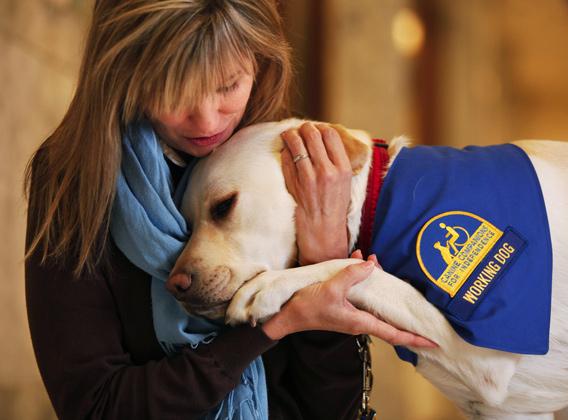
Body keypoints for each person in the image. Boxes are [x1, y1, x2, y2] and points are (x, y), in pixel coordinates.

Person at [24, 1, 431, 419]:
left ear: (260, 62)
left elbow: (334, 409)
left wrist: (323, 259)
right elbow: (95, 408)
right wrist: (273, 322)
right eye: (175, 94)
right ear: (125, 74)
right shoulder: (77, 178)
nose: (206, 122)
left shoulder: (274, 161)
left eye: (228, 86)